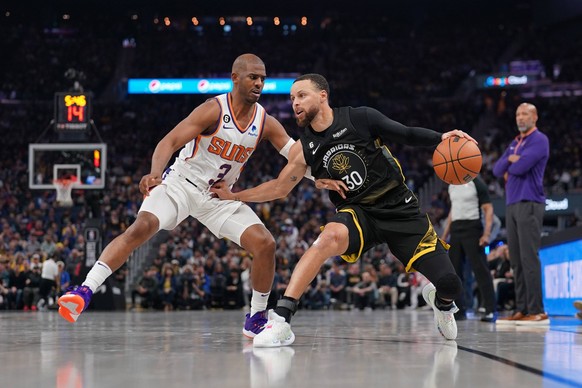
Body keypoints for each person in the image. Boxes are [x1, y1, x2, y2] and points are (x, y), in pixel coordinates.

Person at [211, 73, 476, 346]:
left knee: (450, 285)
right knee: (327, 238)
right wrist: (236, 196)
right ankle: (281, 319)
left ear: (323, 95)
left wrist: (442, 137)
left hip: (400, 210)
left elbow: (406, 133)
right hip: (359, 212)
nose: (295, 103)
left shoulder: (360, 118)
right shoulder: (305, 148)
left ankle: (441, 304)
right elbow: (280, 187)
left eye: (302, 95)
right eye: (292, 99)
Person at [58, 54, 309, 338]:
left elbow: (297, 156)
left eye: (263, 78)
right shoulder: (213, 109)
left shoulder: (265, 121)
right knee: (141, 227)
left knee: (265, 244)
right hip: (181, 183)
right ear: (235, 78)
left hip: (218, 197)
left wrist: (320, 173)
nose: (259, 83)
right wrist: (155, 172)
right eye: (253, 77)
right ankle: (85, 290)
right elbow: (170, 141)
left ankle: (256, 316)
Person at [493, 102, 549, 326]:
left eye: (525, 113)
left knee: (529, 258)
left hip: (530, 202)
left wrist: (512, 163)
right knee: (516, 260)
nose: (520, 117)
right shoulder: (516, 143)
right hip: (512, 203)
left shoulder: (539, 140)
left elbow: (519, 168)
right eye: (517, 114)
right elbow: (498, 170)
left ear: (535, 117)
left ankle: (537, 310)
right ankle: (522, 308)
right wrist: (509, 159)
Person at [441, 175, 497, 322]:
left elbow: (488, 208)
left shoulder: (477, 182)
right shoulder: (452, 184)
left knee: (481, 270)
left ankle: (490, 310)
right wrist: (444, 236)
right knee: (455, 272)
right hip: (456, 229)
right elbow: (453, 211)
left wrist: (487, 234)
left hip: (472, 227)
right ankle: (459, 311)